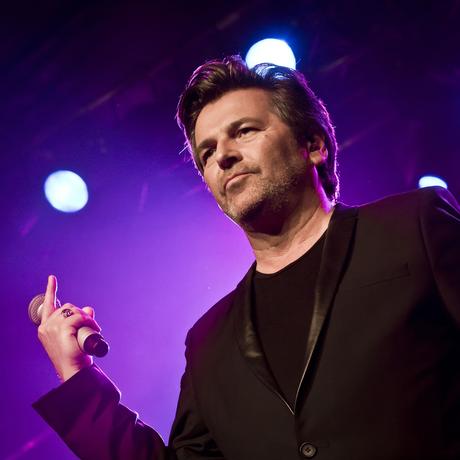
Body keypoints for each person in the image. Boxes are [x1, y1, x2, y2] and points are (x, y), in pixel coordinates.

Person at [33, 55, 460, 460]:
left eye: (244, 131)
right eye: (207, 153)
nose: (223, 156)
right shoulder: (209, 343)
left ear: (313, 144)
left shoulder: (413, 227)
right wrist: (77, 376)